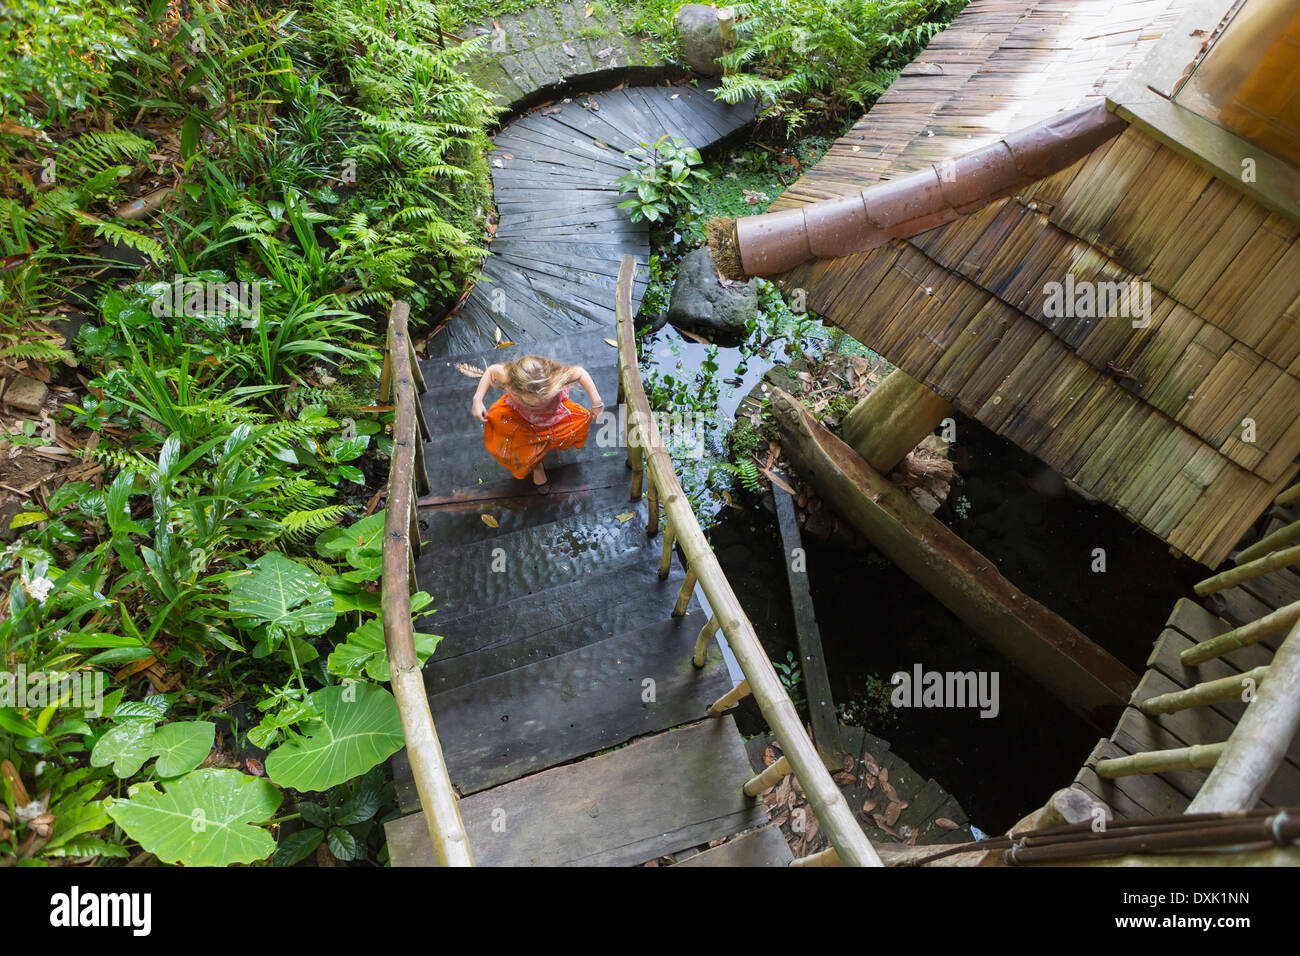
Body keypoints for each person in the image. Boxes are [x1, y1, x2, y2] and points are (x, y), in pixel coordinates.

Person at [471, 354, 605, 489]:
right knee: (525, 450)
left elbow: (580, 373)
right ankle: (536, 466)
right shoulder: (508, 378)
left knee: (562, 433)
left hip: (553, 416)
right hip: (523, 419)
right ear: (516, 389)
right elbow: (491, 371)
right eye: (533, 403)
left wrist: (597, 402)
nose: (540, 402)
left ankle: (546, 447)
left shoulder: (557, 377)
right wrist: (477, 400)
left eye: (545, 397)